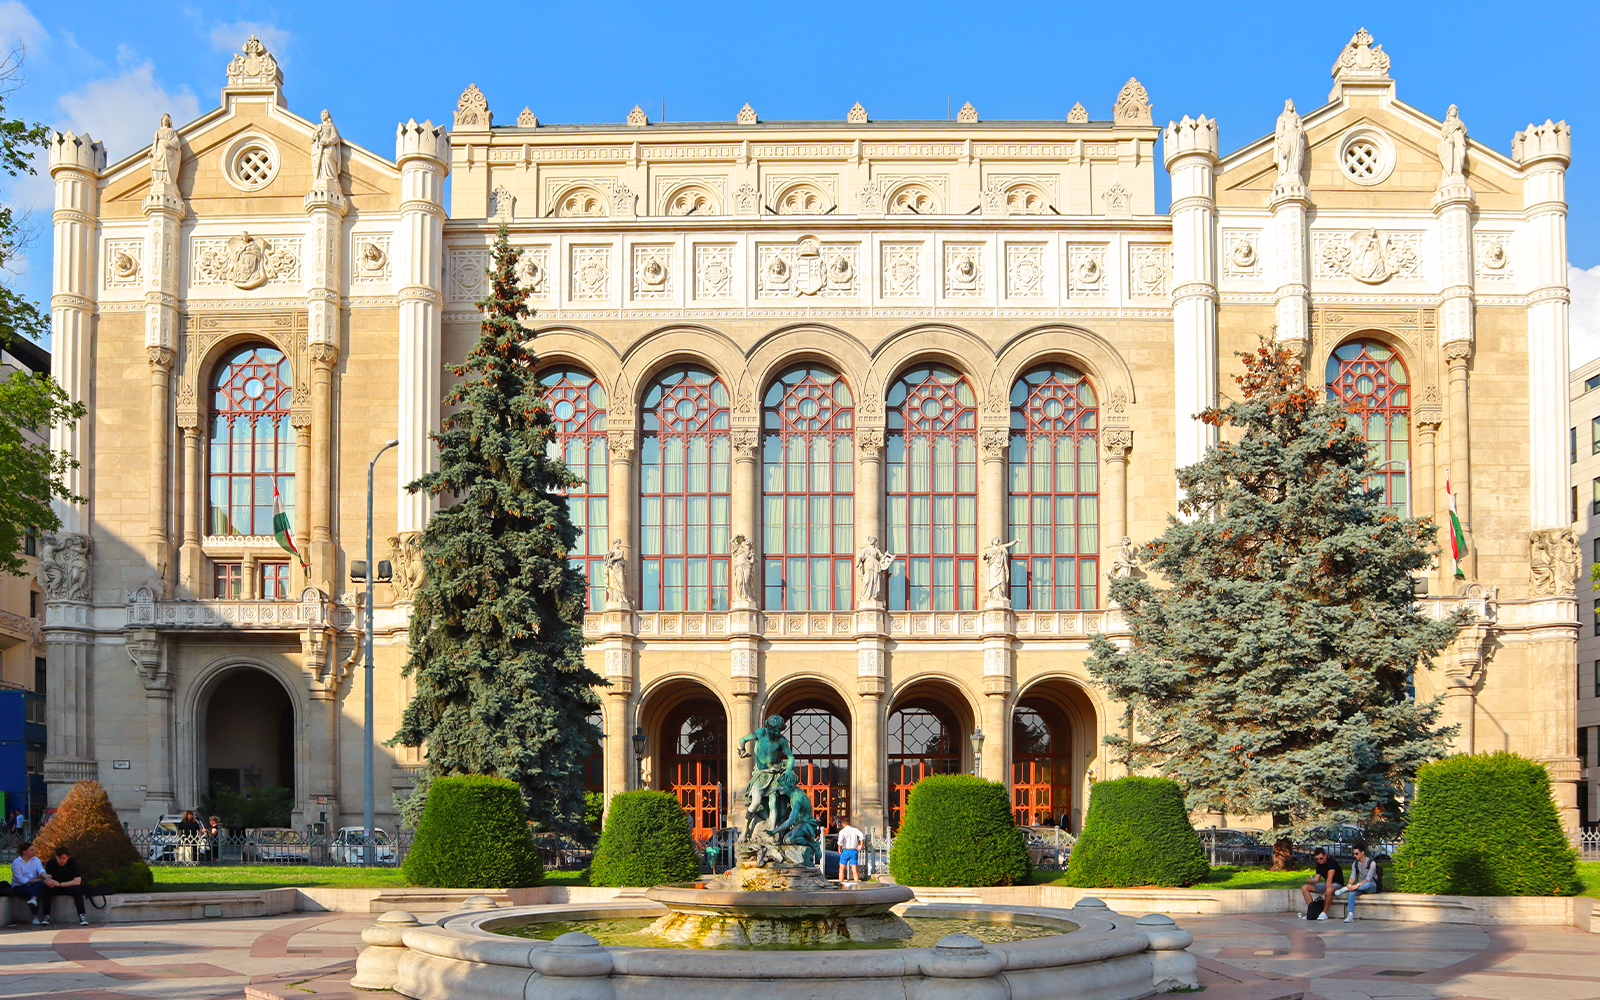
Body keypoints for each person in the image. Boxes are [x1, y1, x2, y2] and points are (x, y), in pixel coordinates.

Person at [42, 846, 88, 926]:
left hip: (68, 886)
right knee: (46, 889)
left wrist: (60, 884)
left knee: (77, 890)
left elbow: (77, 881)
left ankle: (82, 915)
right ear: (56, 857)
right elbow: (48, 877)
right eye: (59, 858)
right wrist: (49, 881)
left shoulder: (73, 863)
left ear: (68, 857)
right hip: (55, 887)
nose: (61, 861)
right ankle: (46, 915)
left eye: (64, 858)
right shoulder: (51, 863)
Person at [1334, 844, 1380, 922]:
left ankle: (1345, 889)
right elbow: (1353, 876)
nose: (1355, 855)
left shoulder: (1371, 863)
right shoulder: (1355, 864)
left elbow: (1368, 879)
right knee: (1352, 892)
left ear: (1362, 852)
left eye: (1356, 853)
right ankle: (1350, 914)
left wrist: (1357, 885)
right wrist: (1349, 884)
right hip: (1361, 886)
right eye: (1353, 854)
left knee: (1367, 884)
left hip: (1372, 886)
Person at [1299, 848, 1343, 921]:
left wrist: (1327, 891)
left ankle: (1324, 912)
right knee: (1305, 888)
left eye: (1321, 858)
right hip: (1327, 883)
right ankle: (1312, 911)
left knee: (1329, 890)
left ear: (1325, 856)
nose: (1319, 860)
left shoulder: (1331, 862)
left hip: (1337, 883)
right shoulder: (1319, 864)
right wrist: (1312, 881)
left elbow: (1329, 879)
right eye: (1317, 859)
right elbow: (1317, 879)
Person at [10, 842, 47, 925]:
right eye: (31, 850)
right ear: (24, 852)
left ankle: (33, 899)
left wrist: (46, 877)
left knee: (38, 886)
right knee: (34, 892)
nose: (34, 851)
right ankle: (34, 916)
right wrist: (37, 880)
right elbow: (21, 880)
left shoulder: (36, 860)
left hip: (34, 885)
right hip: (19, 886)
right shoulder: (17, 863)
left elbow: (41, 871)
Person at [836, 815, 866, 884]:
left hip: (845, 850)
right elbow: (862, 836)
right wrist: (861, 845)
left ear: (843, 824)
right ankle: (856, 883)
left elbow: (840, 841)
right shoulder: (855, 830)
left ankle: (841, 883)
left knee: (841, 869)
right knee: (854, 870)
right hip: (853, 850)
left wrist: (839, 849)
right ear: (850, 823)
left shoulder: (842, 832)